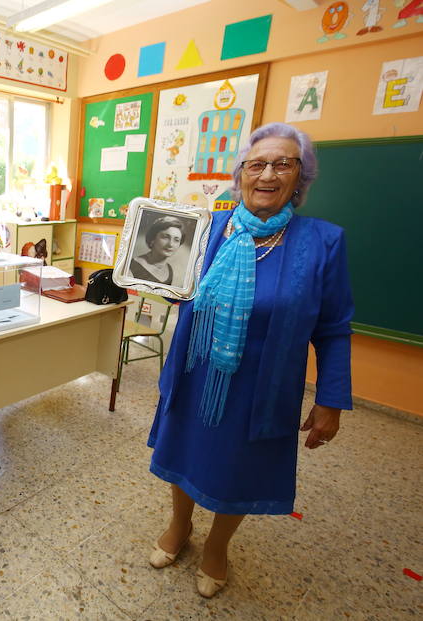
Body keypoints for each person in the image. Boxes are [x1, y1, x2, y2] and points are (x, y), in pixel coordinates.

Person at [145, 123, 353, 598]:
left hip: (263, 385)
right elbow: (179, 289)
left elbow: (334, 327)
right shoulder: (206, 231)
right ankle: (180, 525)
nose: (267, 174)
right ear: (240, 175)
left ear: (300, 177)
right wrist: (151, 277)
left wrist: (331, 400)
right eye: (256, 164)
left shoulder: (322, 242)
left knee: (238, 466)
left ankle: (217, 545)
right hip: (197, 372)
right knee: (183, 452)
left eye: (283, 164)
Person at [128, 216, 184, 286]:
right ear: (153, 239)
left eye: (176, 240)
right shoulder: (132, 266)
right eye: (165, 237)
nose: (171, 244)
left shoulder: (169, 269)